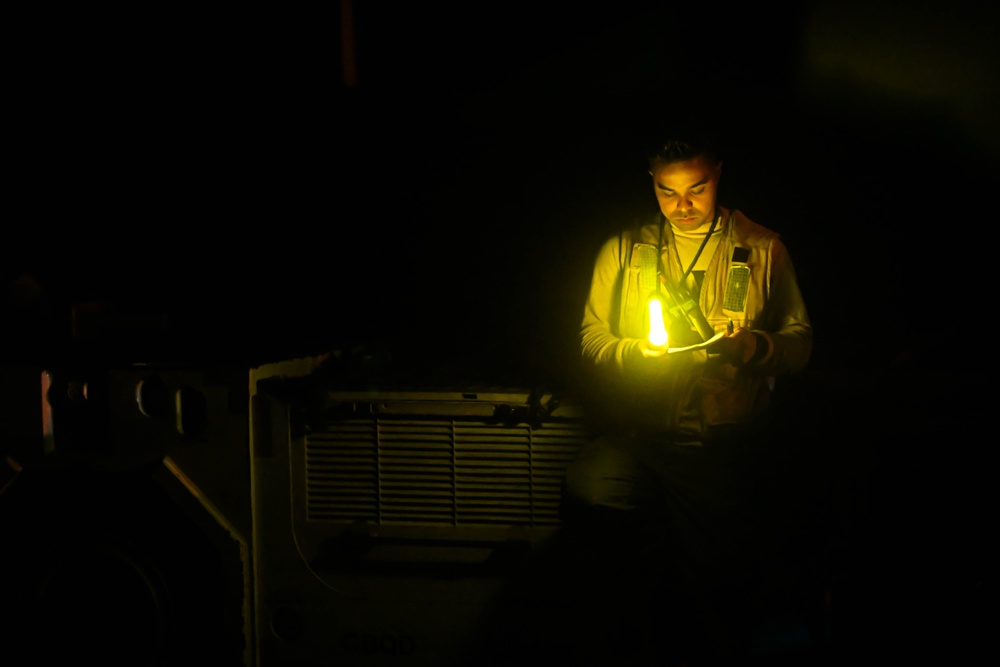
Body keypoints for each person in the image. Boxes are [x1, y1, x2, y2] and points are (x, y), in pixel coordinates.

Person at [560, 131, 815, 664]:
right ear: (650, 183)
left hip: (719, 442)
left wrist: (751, 347)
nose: (682, 206)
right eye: (667, 191)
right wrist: (634, 356)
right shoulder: (624, 249)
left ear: (718, 174)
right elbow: (592, 337)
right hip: (643, 435)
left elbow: (800, 344)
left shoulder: (763, 248)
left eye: (696, 189)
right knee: (593, 489)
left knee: (716, 582)